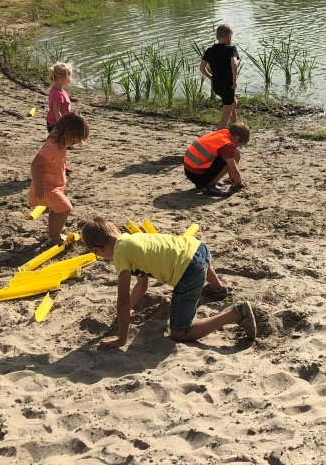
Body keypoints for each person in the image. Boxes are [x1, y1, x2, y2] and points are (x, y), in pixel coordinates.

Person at [83, 217, 256, 347]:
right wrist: (128, 309)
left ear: (98, 250)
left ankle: (236, 313)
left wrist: (121, 339)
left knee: (180, 332)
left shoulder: (120, 255)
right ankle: (219, 290)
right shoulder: (133, 239)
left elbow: (122, 299)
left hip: (189, 272)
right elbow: (142, 285)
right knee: (192, 259)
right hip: (198, 248)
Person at [29, 112, 89, 244]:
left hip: (54, 185)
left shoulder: (60, 144)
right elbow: (35, 164)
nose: (73, 144)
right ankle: (55, 238)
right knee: (65, 208)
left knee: (57, 209)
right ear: (66, 132)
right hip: (46, 187)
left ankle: (52, 234)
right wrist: (38, 185)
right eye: (73, 141)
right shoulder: (52, 146)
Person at [183, 123, 249, 197]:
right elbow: (232, 165)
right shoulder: (226, 145)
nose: (237, 147)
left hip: (189, 171)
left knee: (232, 153)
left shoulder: (223, 133)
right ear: (237, 138)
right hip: (197, 176)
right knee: (235, 154)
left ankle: (205, 183)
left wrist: (232, 177)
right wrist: (239, 182)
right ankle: (211, 186)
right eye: (239, 145)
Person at [200, 24, 240, 129]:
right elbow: (234, 63)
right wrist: (234, 80)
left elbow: (202, 68)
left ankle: (235, 128)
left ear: (218, 36)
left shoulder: (209, 50)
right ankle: (217, 137)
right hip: (228, 85)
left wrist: (211, 77)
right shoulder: (231, 49)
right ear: (229, 36)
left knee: (233, 103)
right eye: (232, 35)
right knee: (226, 114)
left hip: (217, 85)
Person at [46, 62, 73, 134]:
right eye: (69, 76)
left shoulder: (57, 90)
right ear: (62, 78)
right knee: (59, 143)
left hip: (59, 123)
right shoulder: (57, 94)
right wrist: (61, 126)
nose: (71, 78)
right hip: (56, 125)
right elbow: (57, 112)